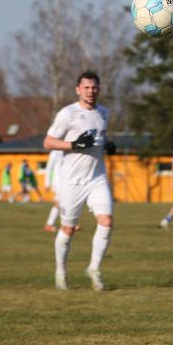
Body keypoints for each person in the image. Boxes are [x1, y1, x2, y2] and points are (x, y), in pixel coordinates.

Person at [43, 71, 117, 291]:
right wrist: (73, 145)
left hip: (97, 177)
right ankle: (61, 272)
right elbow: (48, 142)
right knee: (68, 229)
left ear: (99, 89)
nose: (91, 91)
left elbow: (98, 140)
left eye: (94, 87)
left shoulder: (104, 113)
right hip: (72, 182)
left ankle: (94, 269)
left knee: (107, 222)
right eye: (86, 87)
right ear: (78, 89)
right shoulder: (68, 114)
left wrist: (108, 147)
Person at [44, 150, 64, 232]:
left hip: (66, 182)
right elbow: (49, 168)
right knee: (59, 202)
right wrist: (47, 183)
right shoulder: (55, 152)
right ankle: (49, 224)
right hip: (58, 182)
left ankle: (68, 224)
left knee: (64, 202)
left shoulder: (67, 149)